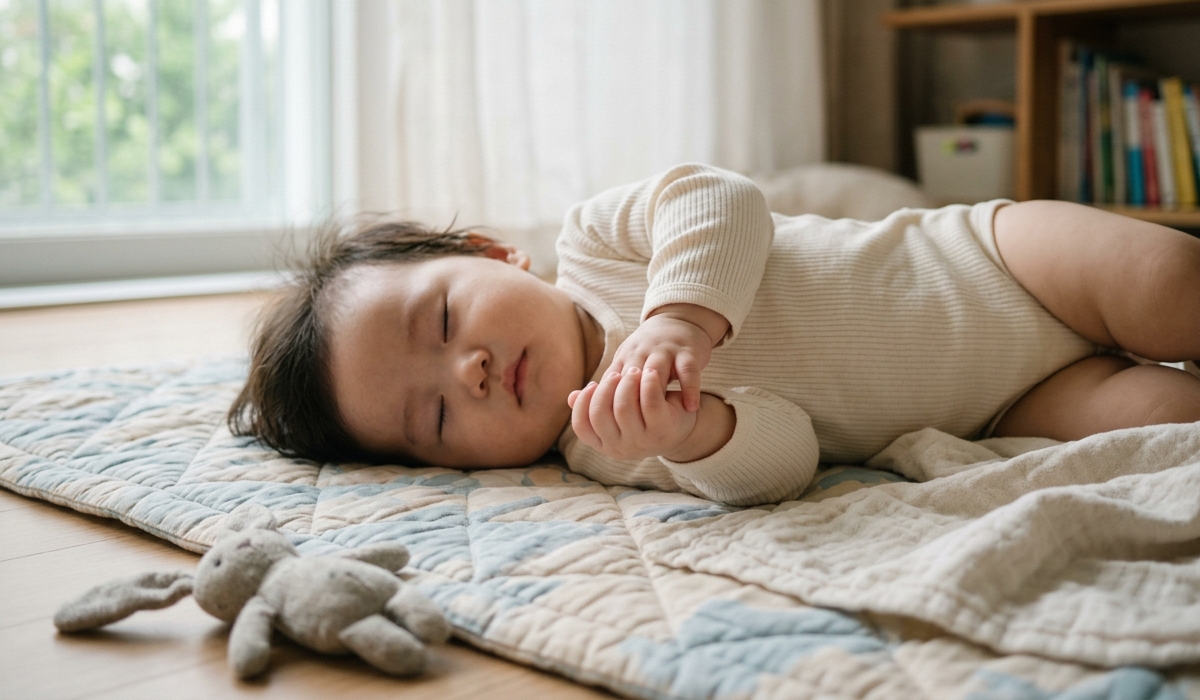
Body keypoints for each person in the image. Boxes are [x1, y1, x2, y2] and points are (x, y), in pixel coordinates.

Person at [229, 164, 1200, 505]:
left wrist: (676, 319)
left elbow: (723, 201)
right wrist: (697, 435)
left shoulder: (596, 240)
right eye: (435, 414)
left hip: (982, 257)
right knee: (1163, 419)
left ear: (492, 250)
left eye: (443, 319)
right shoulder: (611, 445)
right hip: (1002, 403)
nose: (470, 369)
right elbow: (789, 457)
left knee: (1168, 280)